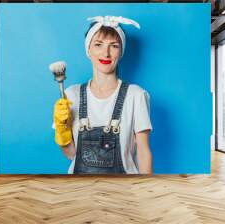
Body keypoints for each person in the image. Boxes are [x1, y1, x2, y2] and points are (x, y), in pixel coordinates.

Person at [53, 16, 152, 174]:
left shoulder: (136, 95)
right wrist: (61, 131)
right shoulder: (71, 94)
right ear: (88, 49)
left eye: (113, 46)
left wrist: (147, 192)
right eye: (98, 44)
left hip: (122, 191)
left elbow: (143, 152)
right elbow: (71, 154)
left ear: (121, 52)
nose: (106, 53)